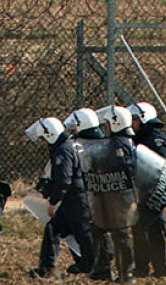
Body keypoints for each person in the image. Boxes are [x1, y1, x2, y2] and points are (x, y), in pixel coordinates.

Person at [25, 116, 95, 279]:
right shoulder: (64, 147)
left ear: (50, 135)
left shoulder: (62, 151)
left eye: (43, 139)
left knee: (82, 233)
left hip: (75, 199)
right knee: (55, 228)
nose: (43, 143)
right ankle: (48, 267)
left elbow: (64, 180)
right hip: (73, 198)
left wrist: (53, 202)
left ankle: (92, 267)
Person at [64, 108, 116, 281]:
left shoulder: (78, 146)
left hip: (88, 194)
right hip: (104, 194)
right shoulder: (106, 143)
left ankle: (92, 262)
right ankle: (104, 257)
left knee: (85, 226)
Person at [129, 102, 166, 279]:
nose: (131, 123)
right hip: (142, 192)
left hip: (153, 192)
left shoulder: (156, 140)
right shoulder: (138, 139)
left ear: (143, 119)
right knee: (139, 229)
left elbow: (164, 166)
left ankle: (159, 269)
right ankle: (143, 267)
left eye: (134, 119)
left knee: (153, 230)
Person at [95, 105, 137, 283]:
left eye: (107, 124)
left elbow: (118, 169)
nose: (105, 127)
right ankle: (121, 272)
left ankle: (126, 274)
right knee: (119, 233)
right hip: (121, 195)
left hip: (118, 196)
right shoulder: (126, 141)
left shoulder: (117, 144)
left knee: (121, 234)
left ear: (115, 123)